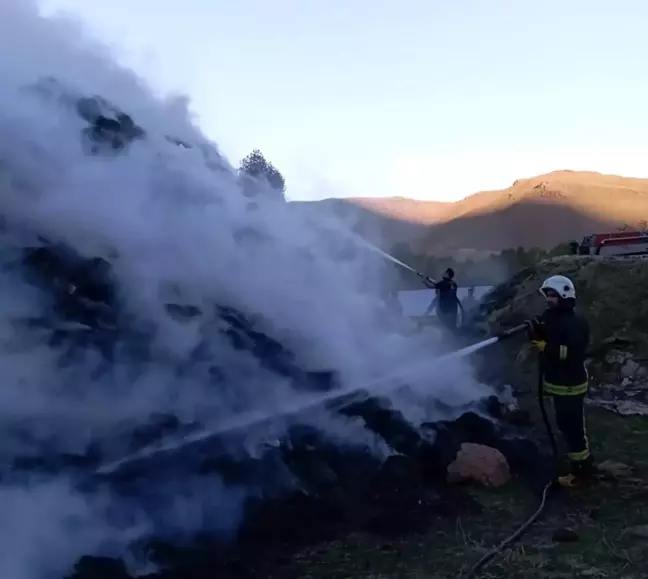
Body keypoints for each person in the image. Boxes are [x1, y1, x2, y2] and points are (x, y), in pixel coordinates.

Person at [526, 274, 593, 488]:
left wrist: (547, 348)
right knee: (565, 425)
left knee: (572, 429)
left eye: (552, 295)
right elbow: (544, 334)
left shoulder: (576, 323)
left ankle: (581, 471)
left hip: (571, 385)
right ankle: (578, 463)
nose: (548, 299)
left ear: (564, 295)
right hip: (558, 383)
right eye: (547, 295)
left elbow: (573, 353)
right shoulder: (551, 316)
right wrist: (534, 330)